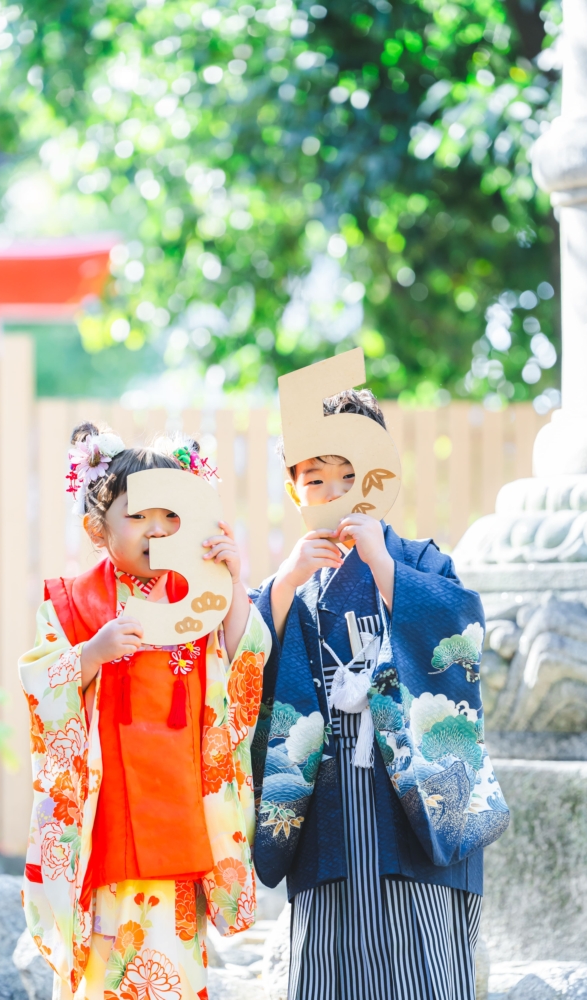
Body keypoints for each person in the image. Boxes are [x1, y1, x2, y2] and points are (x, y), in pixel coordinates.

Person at [250, 389, 509, 1000]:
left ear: (382, 475)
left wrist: (383, 567)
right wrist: (285, 586)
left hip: (414, 818)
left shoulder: (418, 561)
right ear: (294, 489)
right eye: (317, 478)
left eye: (352, 474)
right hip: (329, 818)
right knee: (327, 971)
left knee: (424, 971)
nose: (336, 491)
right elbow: (247, 676)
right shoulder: (289, 582)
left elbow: (459, 630)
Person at [19, 423, 271, 1000]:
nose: (156, 529)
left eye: (170, 516)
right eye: (137, 516)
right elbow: (41, 685)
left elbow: (242, 663)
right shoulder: (72, 601)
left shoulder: (199, 597)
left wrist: (235, 581)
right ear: (97, 529)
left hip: (179, 800)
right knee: (102, 961)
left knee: (172, 957)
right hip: (104, 811)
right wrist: (91, 653)